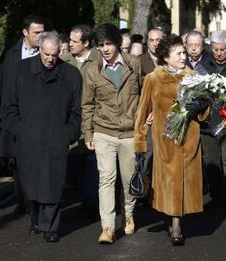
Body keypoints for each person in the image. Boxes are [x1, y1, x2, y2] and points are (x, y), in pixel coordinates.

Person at [2, 31, 82, 242]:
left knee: (54, 183)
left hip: (57, 137)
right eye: (46, 54)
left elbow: (77, 110)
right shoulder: (21, 70)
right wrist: (19, 130)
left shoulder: (71, 75)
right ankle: (36, 218)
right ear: (39, 50)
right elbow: (9, 106)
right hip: (28, 138)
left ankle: (50, 227)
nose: (50, 59)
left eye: (54, 55)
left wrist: (69, 134)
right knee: (31, 184)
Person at [134, 35, 209, 246]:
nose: (184, 56)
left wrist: (202, 108)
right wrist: (140, 144)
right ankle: (175, 223)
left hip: (190, 139)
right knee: (170, 183)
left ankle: (176, 220)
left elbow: (206, 113)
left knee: (183, 182)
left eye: (184, 52)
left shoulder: (194, 77)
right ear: (166, 57)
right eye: (179, 53)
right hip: (165, 142)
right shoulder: (153, 79)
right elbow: (142, 113)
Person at [82, 23, 142, 244]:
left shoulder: (134, 64)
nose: (105, 49)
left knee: (128, 180)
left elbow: (145, 94)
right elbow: (87, 104)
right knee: (106, 179)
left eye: (108, 44)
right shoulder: (92, 70)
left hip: (129, 132)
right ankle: (107, 227)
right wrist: (88, 133)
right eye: (100, 45)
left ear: (117, 43)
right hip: (103, 132)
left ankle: (128, 215)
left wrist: (147, 116)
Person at [0, 15, 45, 215]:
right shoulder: (10, 54)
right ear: (25, 32)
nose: (40, 36)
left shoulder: (48, 54)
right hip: (14, 116)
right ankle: (24, 200)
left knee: (36, 160)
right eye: (36, 32)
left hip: (38, 117)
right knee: (17, 160)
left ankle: (36, 200)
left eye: (42, 32)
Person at [60, 24, 100, 216]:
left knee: (93, 162)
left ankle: (91, 202)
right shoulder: (64, 61)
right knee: (73, 160)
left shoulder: (100, 60)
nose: (70, 44)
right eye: (70, 40)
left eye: (75, 41)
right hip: (70, 120)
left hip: (94, 119)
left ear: (86, 43)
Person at [202, 30, 226, 212]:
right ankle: (216, 198)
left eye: (222, 50)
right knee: (211, 164)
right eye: (215, 49)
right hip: (209, 124)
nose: (218, 53)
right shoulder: (203, 65)